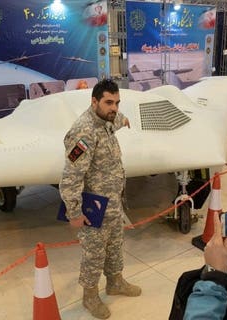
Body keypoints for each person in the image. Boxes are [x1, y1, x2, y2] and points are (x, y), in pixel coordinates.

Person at [59, 79, 140, 319]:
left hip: (113, 202)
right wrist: (73, 212)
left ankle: (115, 282)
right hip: (93, 206)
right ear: (94, 101)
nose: (113, 108)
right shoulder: (83, 132)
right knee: (94, 253)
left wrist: (123, 119)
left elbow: (115, 119)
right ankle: (90, 296)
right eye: (108, 102)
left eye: (116, 102)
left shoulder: (106, 120)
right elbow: (71, 176)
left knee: (115, 245)